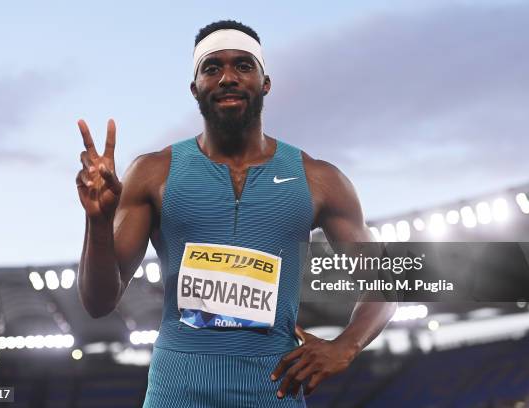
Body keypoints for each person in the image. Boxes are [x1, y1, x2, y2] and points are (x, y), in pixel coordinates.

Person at [76, 20, 396, 407]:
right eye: (212, 68)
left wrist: (347, 345)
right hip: (177, 392)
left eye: (243, 66)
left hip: (272, 390)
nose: (228, 77)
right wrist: (96, 221)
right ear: (195, 88)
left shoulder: (319, 180)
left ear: (265, 83)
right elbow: (98, 302)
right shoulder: (154, 173)